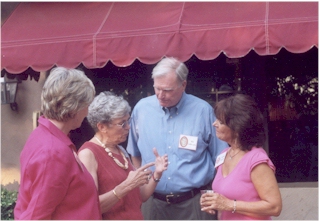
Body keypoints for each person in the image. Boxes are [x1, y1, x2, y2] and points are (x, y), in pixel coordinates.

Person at [127, 57, 227, 220]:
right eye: (157, 88)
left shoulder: (203, 111)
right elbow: (135, 154)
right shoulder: (142, 109)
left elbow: (222, 159)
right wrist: (141, 188)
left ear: (183, 85)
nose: (160, 95)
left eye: (167, 90)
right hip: (153, 204)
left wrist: (216, 198)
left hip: (195, 203)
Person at [14, 67, 101, 220]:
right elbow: (36, 216)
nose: (87, 112)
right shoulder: (53, 152)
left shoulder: (46, 136)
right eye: (87, 105)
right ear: (74, 107)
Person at [78, 91, 168, 220]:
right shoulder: (88, 154)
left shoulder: (120, 150)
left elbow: (140, 196)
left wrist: (157, 175)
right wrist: (127, 185)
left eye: (128, 121)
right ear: (102, 127)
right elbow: (90, 206)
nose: (128, 127)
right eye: (122, 123)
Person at [200, 94, 282, 220]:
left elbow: (274, 207)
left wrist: (229, 205)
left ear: (237, 127)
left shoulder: (256, 159)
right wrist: (214, 203)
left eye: (220, 122)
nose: (214, 124)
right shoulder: (224, 155)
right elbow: (227, 198)